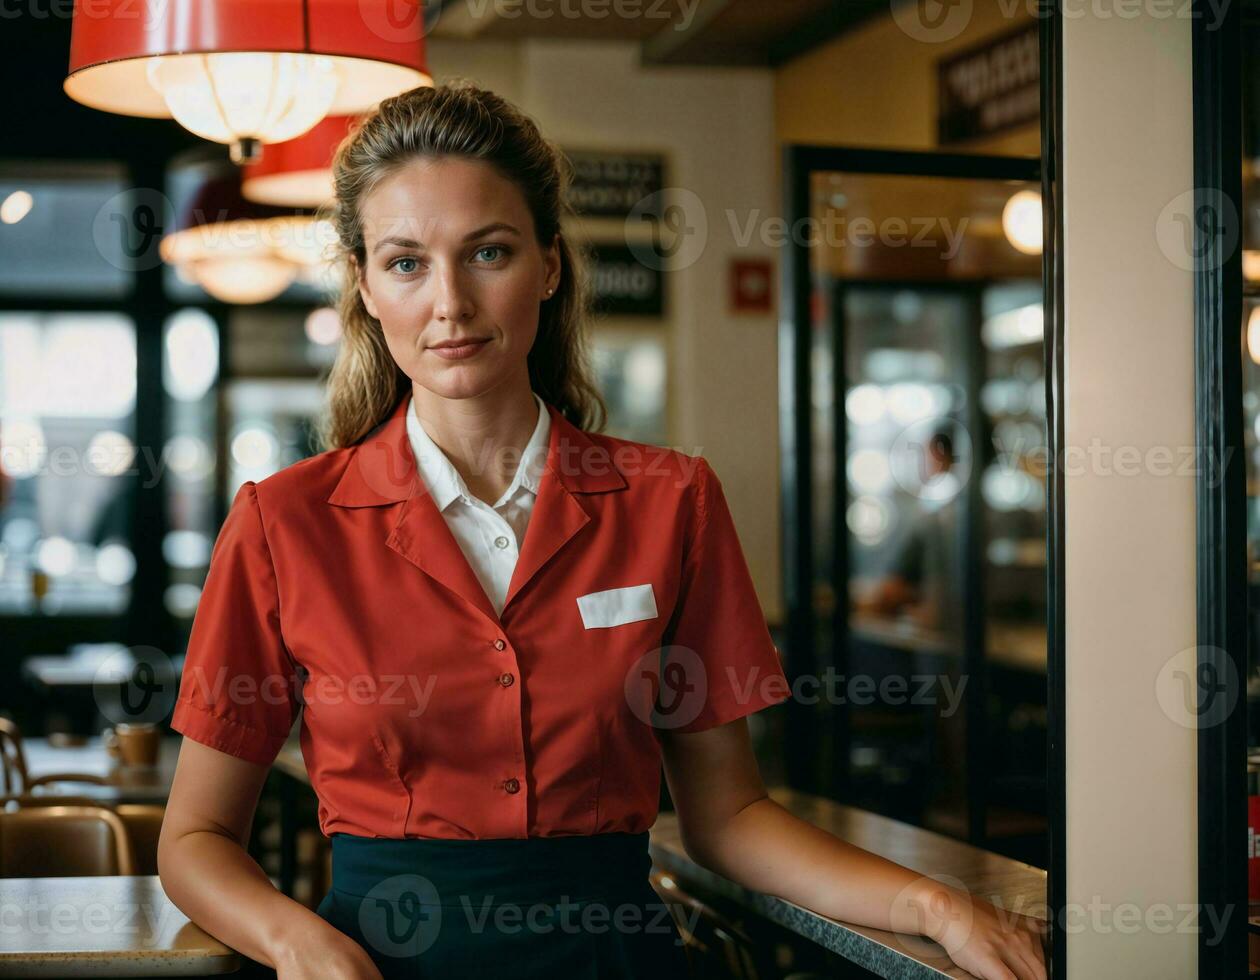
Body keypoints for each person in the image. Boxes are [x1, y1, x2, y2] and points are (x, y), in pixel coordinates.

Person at [156, 81, 1047, 980]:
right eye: (405, 263)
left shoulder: (673, 502)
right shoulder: (285, 523)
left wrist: (934, 903)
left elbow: (729, 818)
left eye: (488, 252)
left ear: (548, 264)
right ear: (364, 286)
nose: (451, 303)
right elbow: (194, 837)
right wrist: (298, 942)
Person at [858, 426, 962, 635]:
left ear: (938, 453)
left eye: (924, 453)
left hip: (942, 638)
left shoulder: (934, 519)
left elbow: (892, 591)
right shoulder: (967, 513)